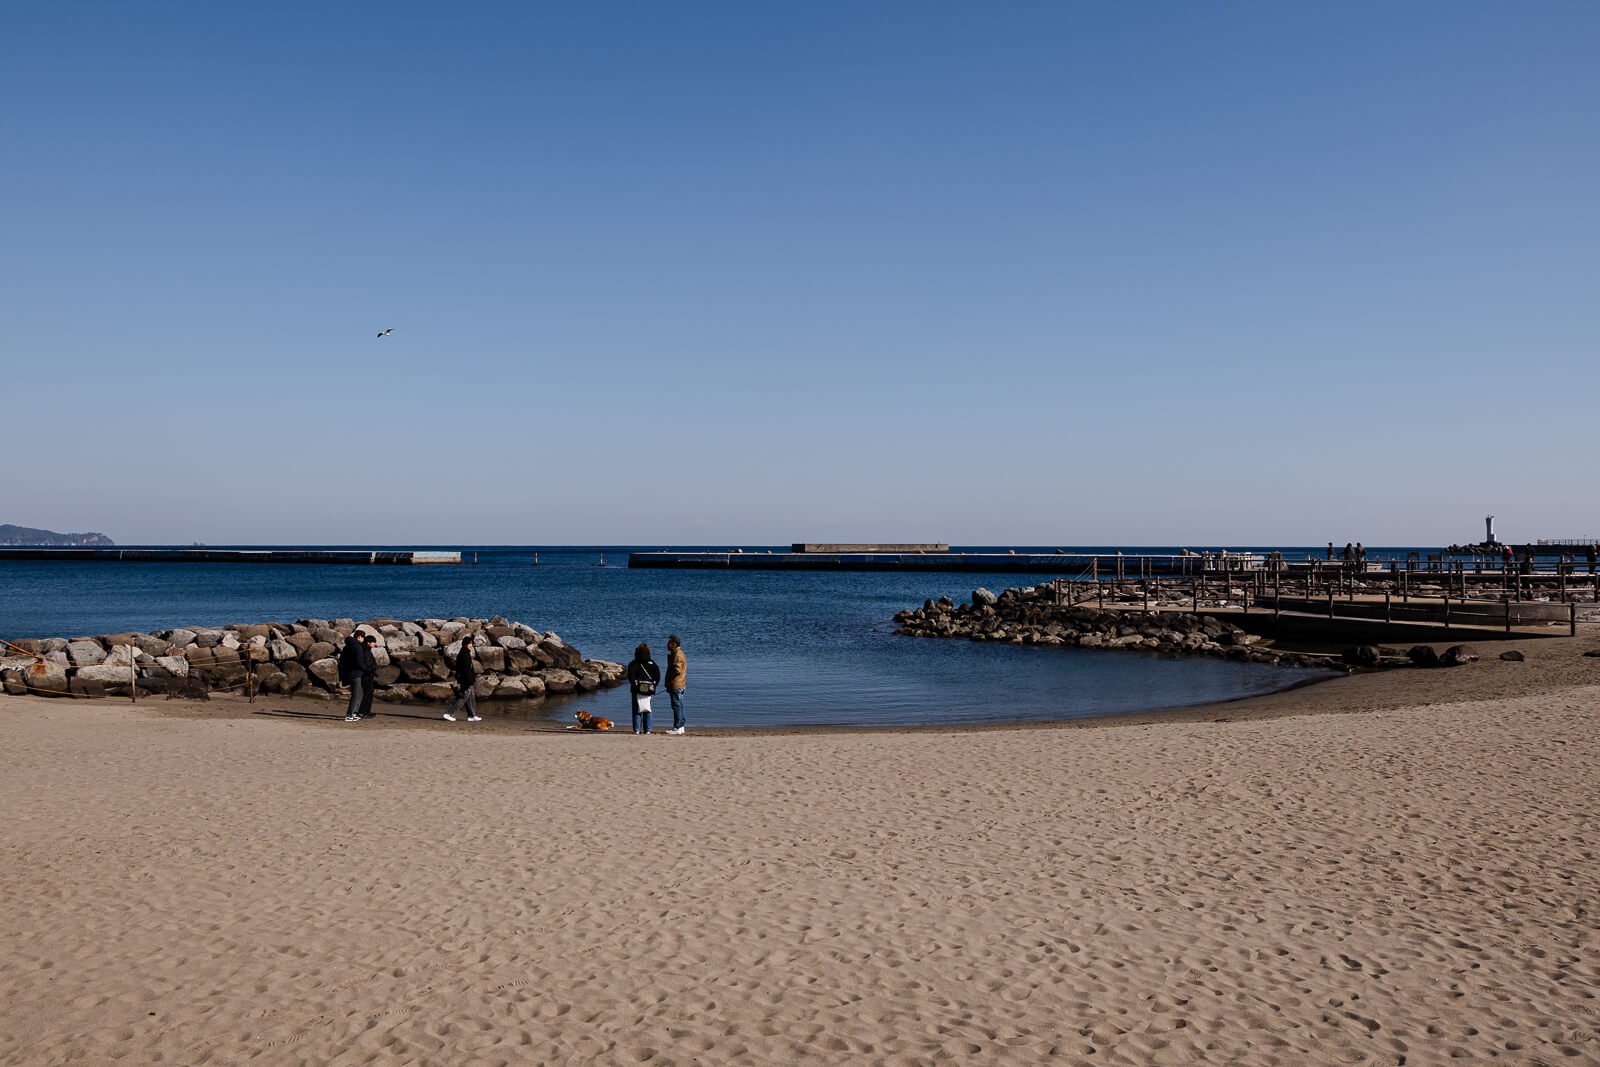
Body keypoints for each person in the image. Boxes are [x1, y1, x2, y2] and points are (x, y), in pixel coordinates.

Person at [443, 635, 483, 722]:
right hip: (466, 679)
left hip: (468, 679)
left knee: (471, 696)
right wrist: (469, 680)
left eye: (471, 644)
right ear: (465, 644)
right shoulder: (464, 654)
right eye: (470, 644)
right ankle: (450, 713)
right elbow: (465, 669)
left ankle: (472, 715)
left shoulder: (465, 653)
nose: (471, 645)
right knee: (463, 696)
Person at [627, 642, 661, 735]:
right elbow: (657, 677)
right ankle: (648, 729)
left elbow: (630, 677)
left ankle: (637, 729)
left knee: (636, 709)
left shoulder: (633, 664)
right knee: (647, 709)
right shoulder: (652, 664)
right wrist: (654, 686)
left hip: (636, 689)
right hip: (649, 690)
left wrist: (635, 685)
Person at [338, 631, 368, 723]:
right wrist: (365, 669)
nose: (363, 640)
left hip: (348, 672)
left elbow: (341, 660)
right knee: (356, 695)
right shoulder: (357, 647)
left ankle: (354, 713)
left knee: (360, 693)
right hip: (355, 673)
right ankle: (349, 714)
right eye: (363, 638)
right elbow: (359, 661)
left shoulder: (347, 647)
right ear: (359, 637)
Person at [664, 635, 687, 735]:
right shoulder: (678, 653)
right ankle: (680, 726)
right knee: (679, 705)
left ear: (673, 645)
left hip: (676, 684)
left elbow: (677, 670)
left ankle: (677, 727)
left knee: (676, 705)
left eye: (669, 643)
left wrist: (670, 680)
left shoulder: (677, 654)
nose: (667, 645)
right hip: (680, 683)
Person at [358, 633, 379, 718]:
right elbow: (368, 663)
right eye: (373, 642)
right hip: (367, 674)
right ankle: (364, 712)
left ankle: (366, 711)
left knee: (368, 693)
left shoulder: (366, 650)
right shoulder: (366, 651)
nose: (374, 644)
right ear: (368, 643)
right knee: (367, 693)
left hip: (367, 674)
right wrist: (372, 669)